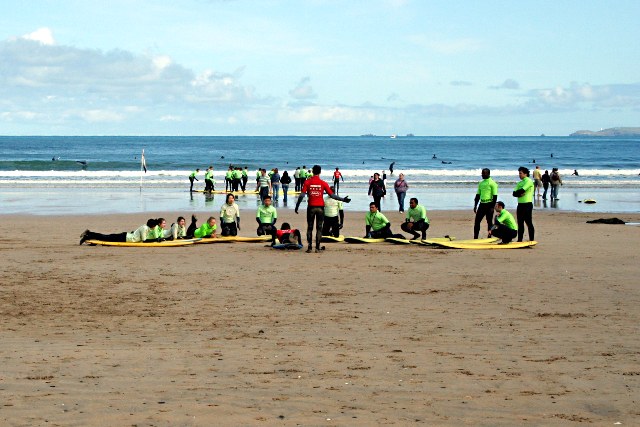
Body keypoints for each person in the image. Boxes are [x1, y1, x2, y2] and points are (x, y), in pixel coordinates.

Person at [295, 165, 351, 253]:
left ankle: (309, 248)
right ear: (320, 172)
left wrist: (297, 206)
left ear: (312, 171)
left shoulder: (307, 182)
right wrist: (343, 199)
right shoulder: (323, 183)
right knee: (319, 228)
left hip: (311, 207)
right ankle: (317, 248)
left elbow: (302, 195)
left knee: (310, 227)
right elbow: (332, 195)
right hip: (320, 207)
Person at [79, 218, 161, 245]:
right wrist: (156, 240)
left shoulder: (145, 227)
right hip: (124, 238)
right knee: (105, 237)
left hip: (125, 236)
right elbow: (145, 241)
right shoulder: (145, 229)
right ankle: (89, 233)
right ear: (152, 226)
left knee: (106, 237)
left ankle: (89, 237)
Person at [473, 168, 498, 239]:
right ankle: (475, 237)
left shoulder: (493, 183)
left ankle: (489, 236)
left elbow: (495, 196)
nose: (482, 175)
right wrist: (475, 205)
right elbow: (478, 195)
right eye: (482, 173)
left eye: (484, 173)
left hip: (489, 204)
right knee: (477, 221)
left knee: (489, 222)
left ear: (488, 174)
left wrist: (492, 207)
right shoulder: (481, 183)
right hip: (482, 204)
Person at [512, 166, 535, 242]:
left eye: (520, 173)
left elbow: (522, 190)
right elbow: (514, 193)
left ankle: (531, 239)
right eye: (519, 173)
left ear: (525, 174)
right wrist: (518, 194)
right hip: (520, 205)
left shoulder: (528, 181)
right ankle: (519, 240)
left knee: (528, 223)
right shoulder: (520, 183)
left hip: (527, 204)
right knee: (520, 223)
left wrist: (518, 193)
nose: (519, 175)